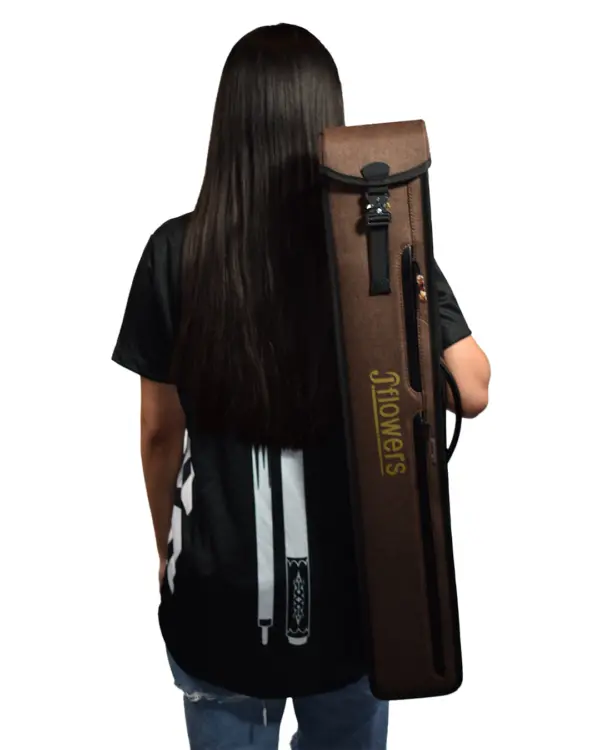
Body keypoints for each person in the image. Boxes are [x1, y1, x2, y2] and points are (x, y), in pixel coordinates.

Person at [111, 22, 491, 750]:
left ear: (228, 124)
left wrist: (167, 550)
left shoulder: (173, 253)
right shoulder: (379, 251)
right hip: (356, 602)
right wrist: (404, 270)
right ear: (327, 122)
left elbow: (160, 433)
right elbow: (471, 388)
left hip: (218, 595)